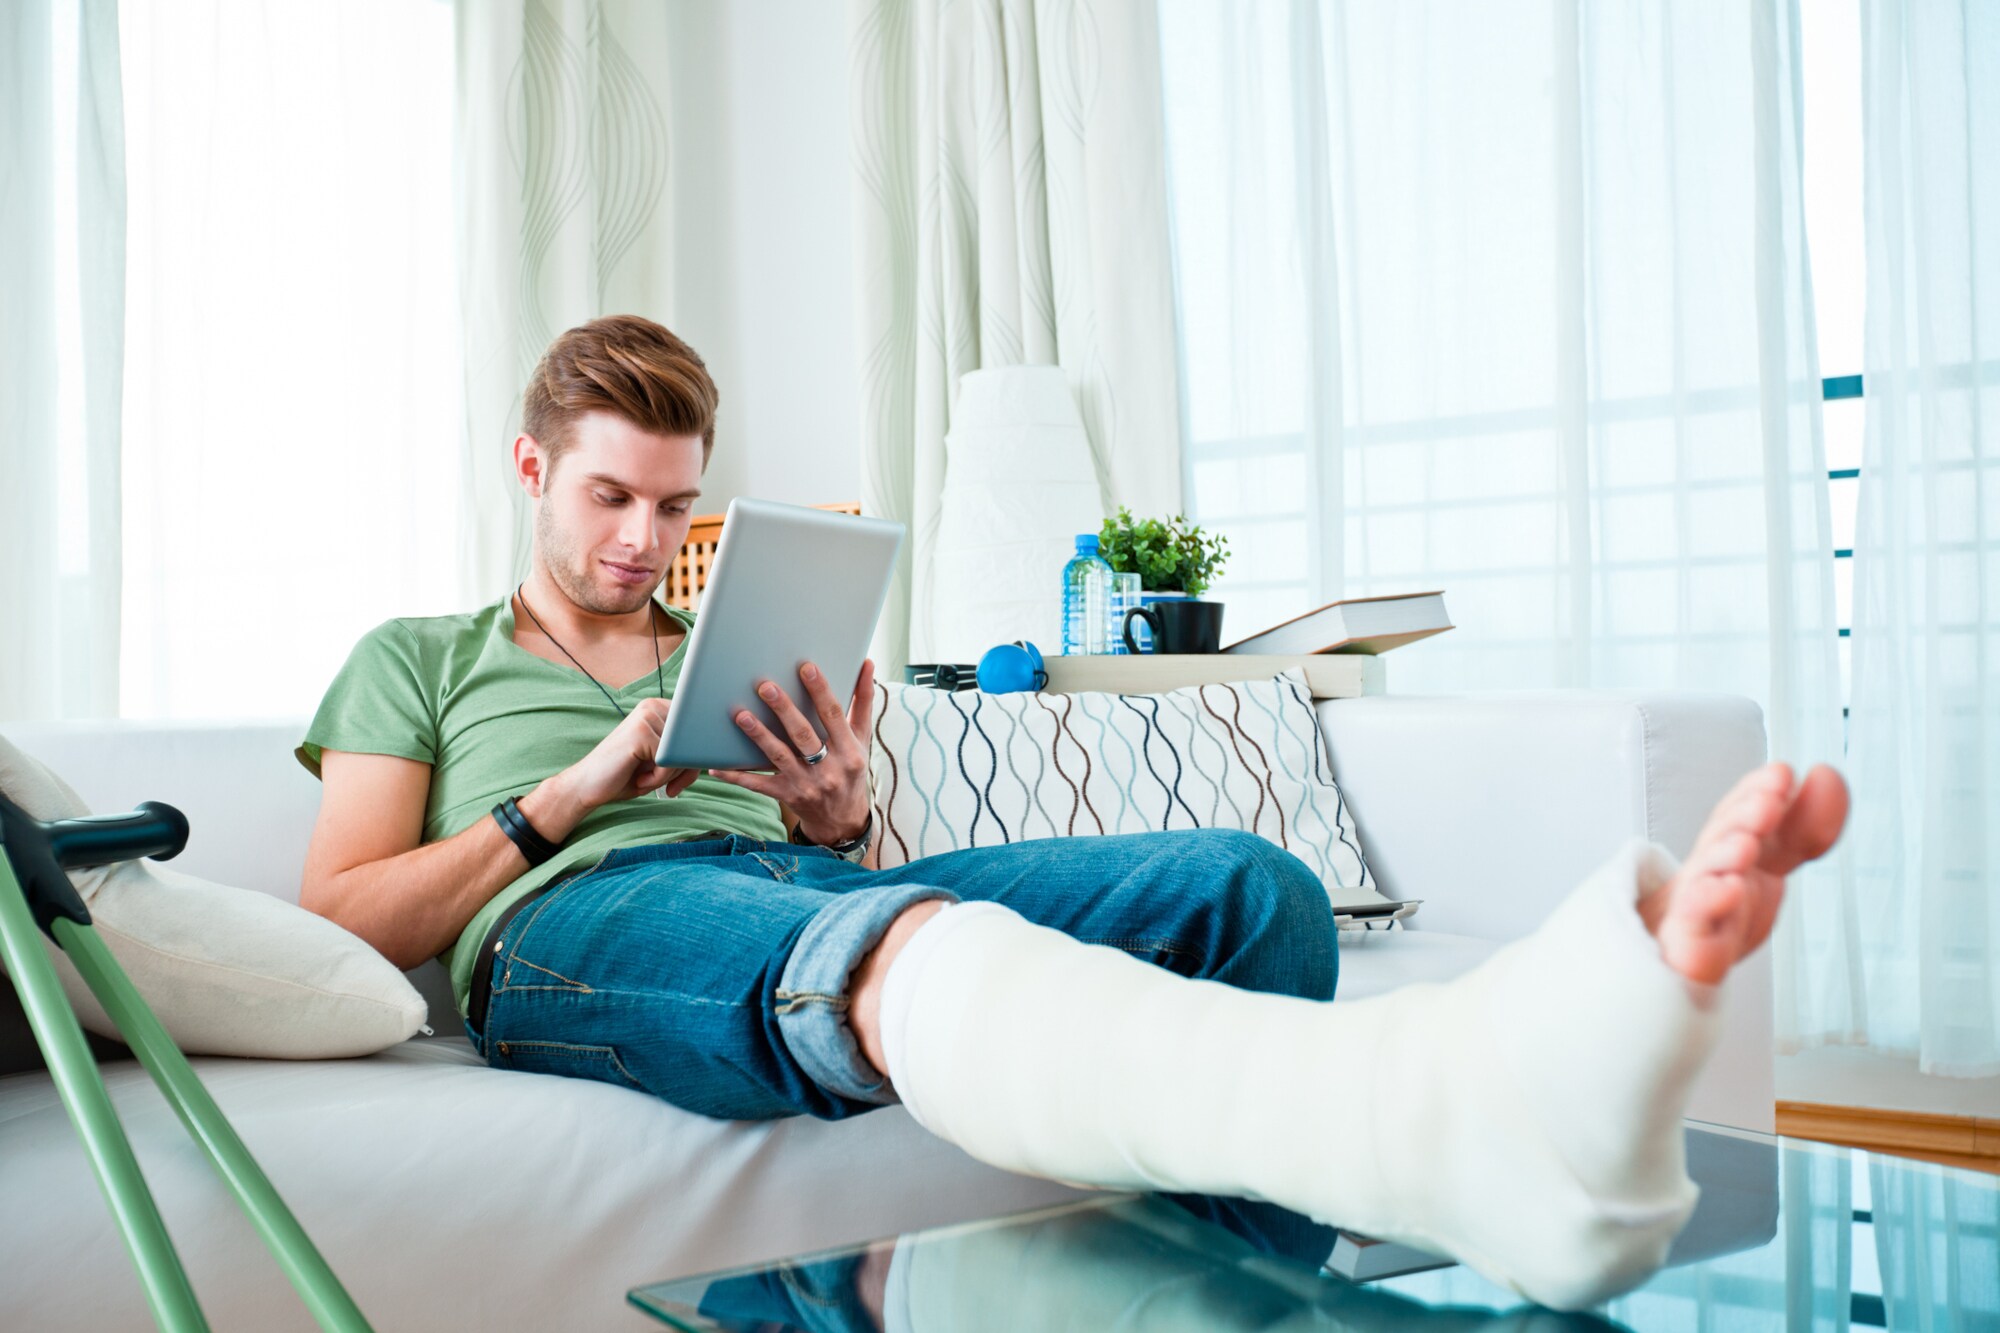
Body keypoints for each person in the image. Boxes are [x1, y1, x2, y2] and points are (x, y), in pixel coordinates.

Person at [295, 314, 1849, 1312]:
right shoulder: (420, 659)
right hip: (573, 931)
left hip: (787, 889)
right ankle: (1432, 1116)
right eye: (607, 497)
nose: (644, 539)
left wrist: (834, 810)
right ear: (530, 469)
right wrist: (563, 801)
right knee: (881, 943)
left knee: (1249, 890)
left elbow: (832, 860)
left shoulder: (719, 648)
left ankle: (1223, 1291)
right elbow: (341, 920)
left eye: (674, 504)